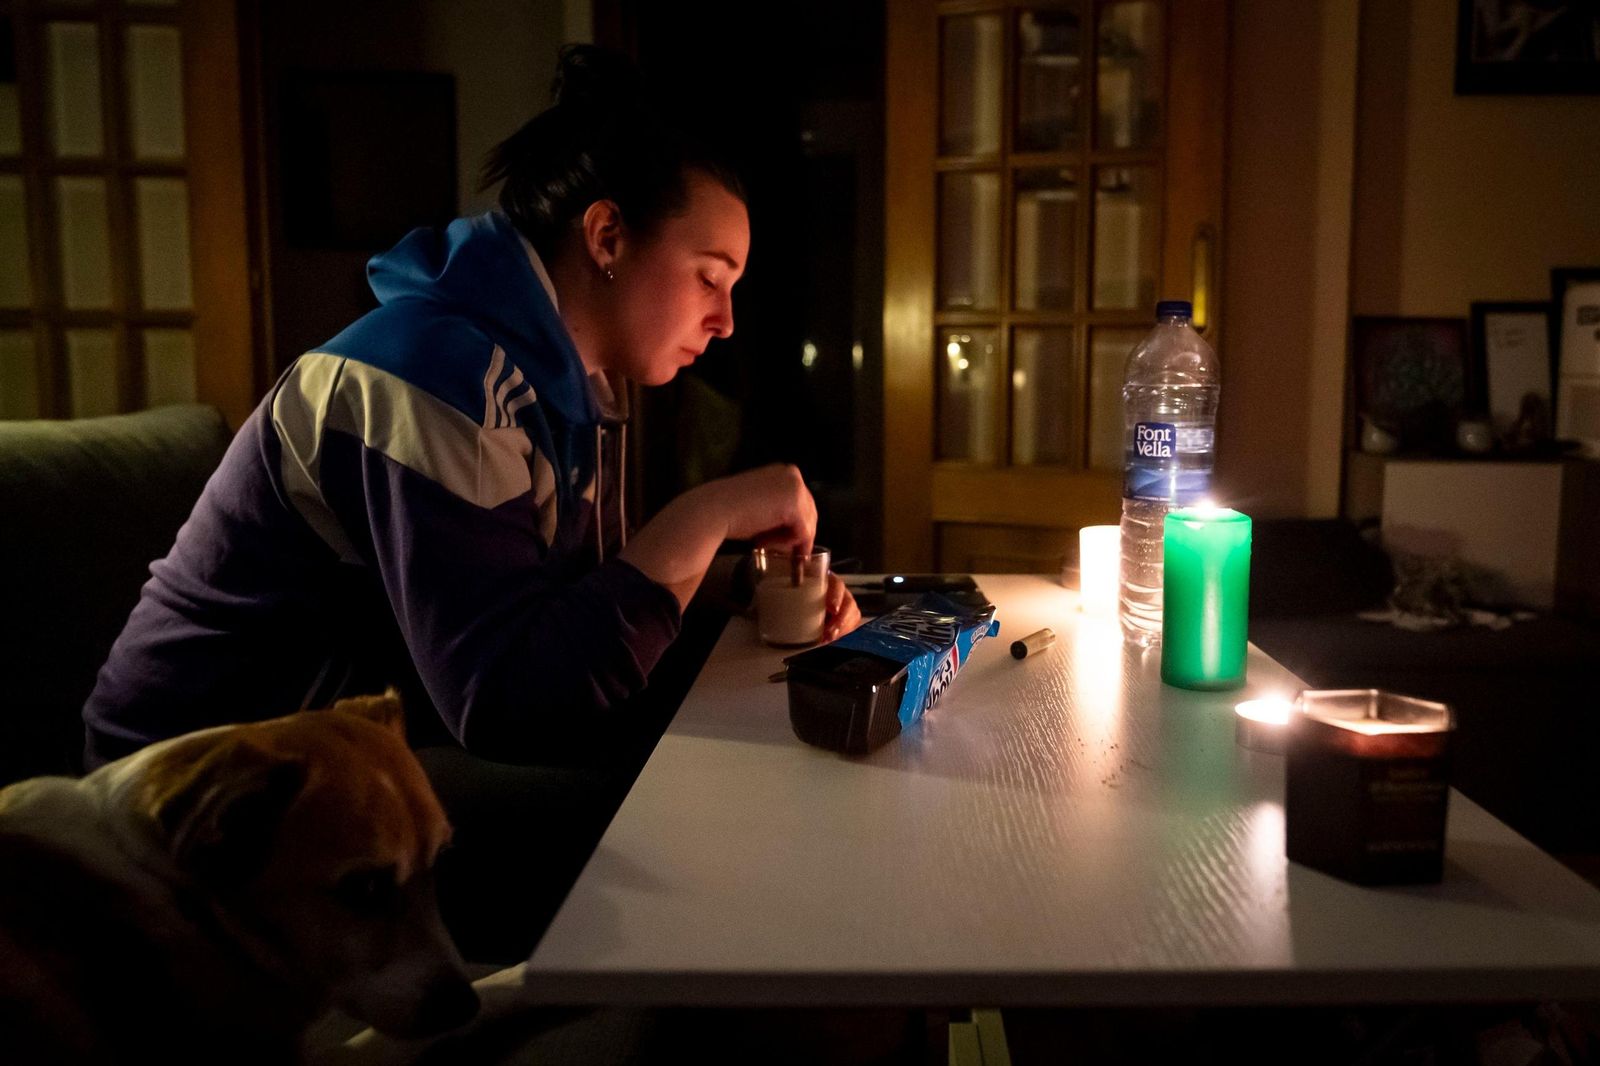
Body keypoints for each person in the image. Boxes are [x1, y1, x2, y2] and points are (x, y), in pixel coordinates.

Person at [81, 46, 861, 960]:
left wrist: (723, 578)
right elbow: (514, 703)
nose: (725, 319)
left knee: (731, 762)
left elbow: (565, 606)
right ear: (607, 238)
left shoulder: (562, 382)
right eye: (710, 275)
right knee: (706, 810)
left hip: (347, 741)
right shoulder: (432, 372)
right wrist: (703, 517)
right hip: (205, 791)